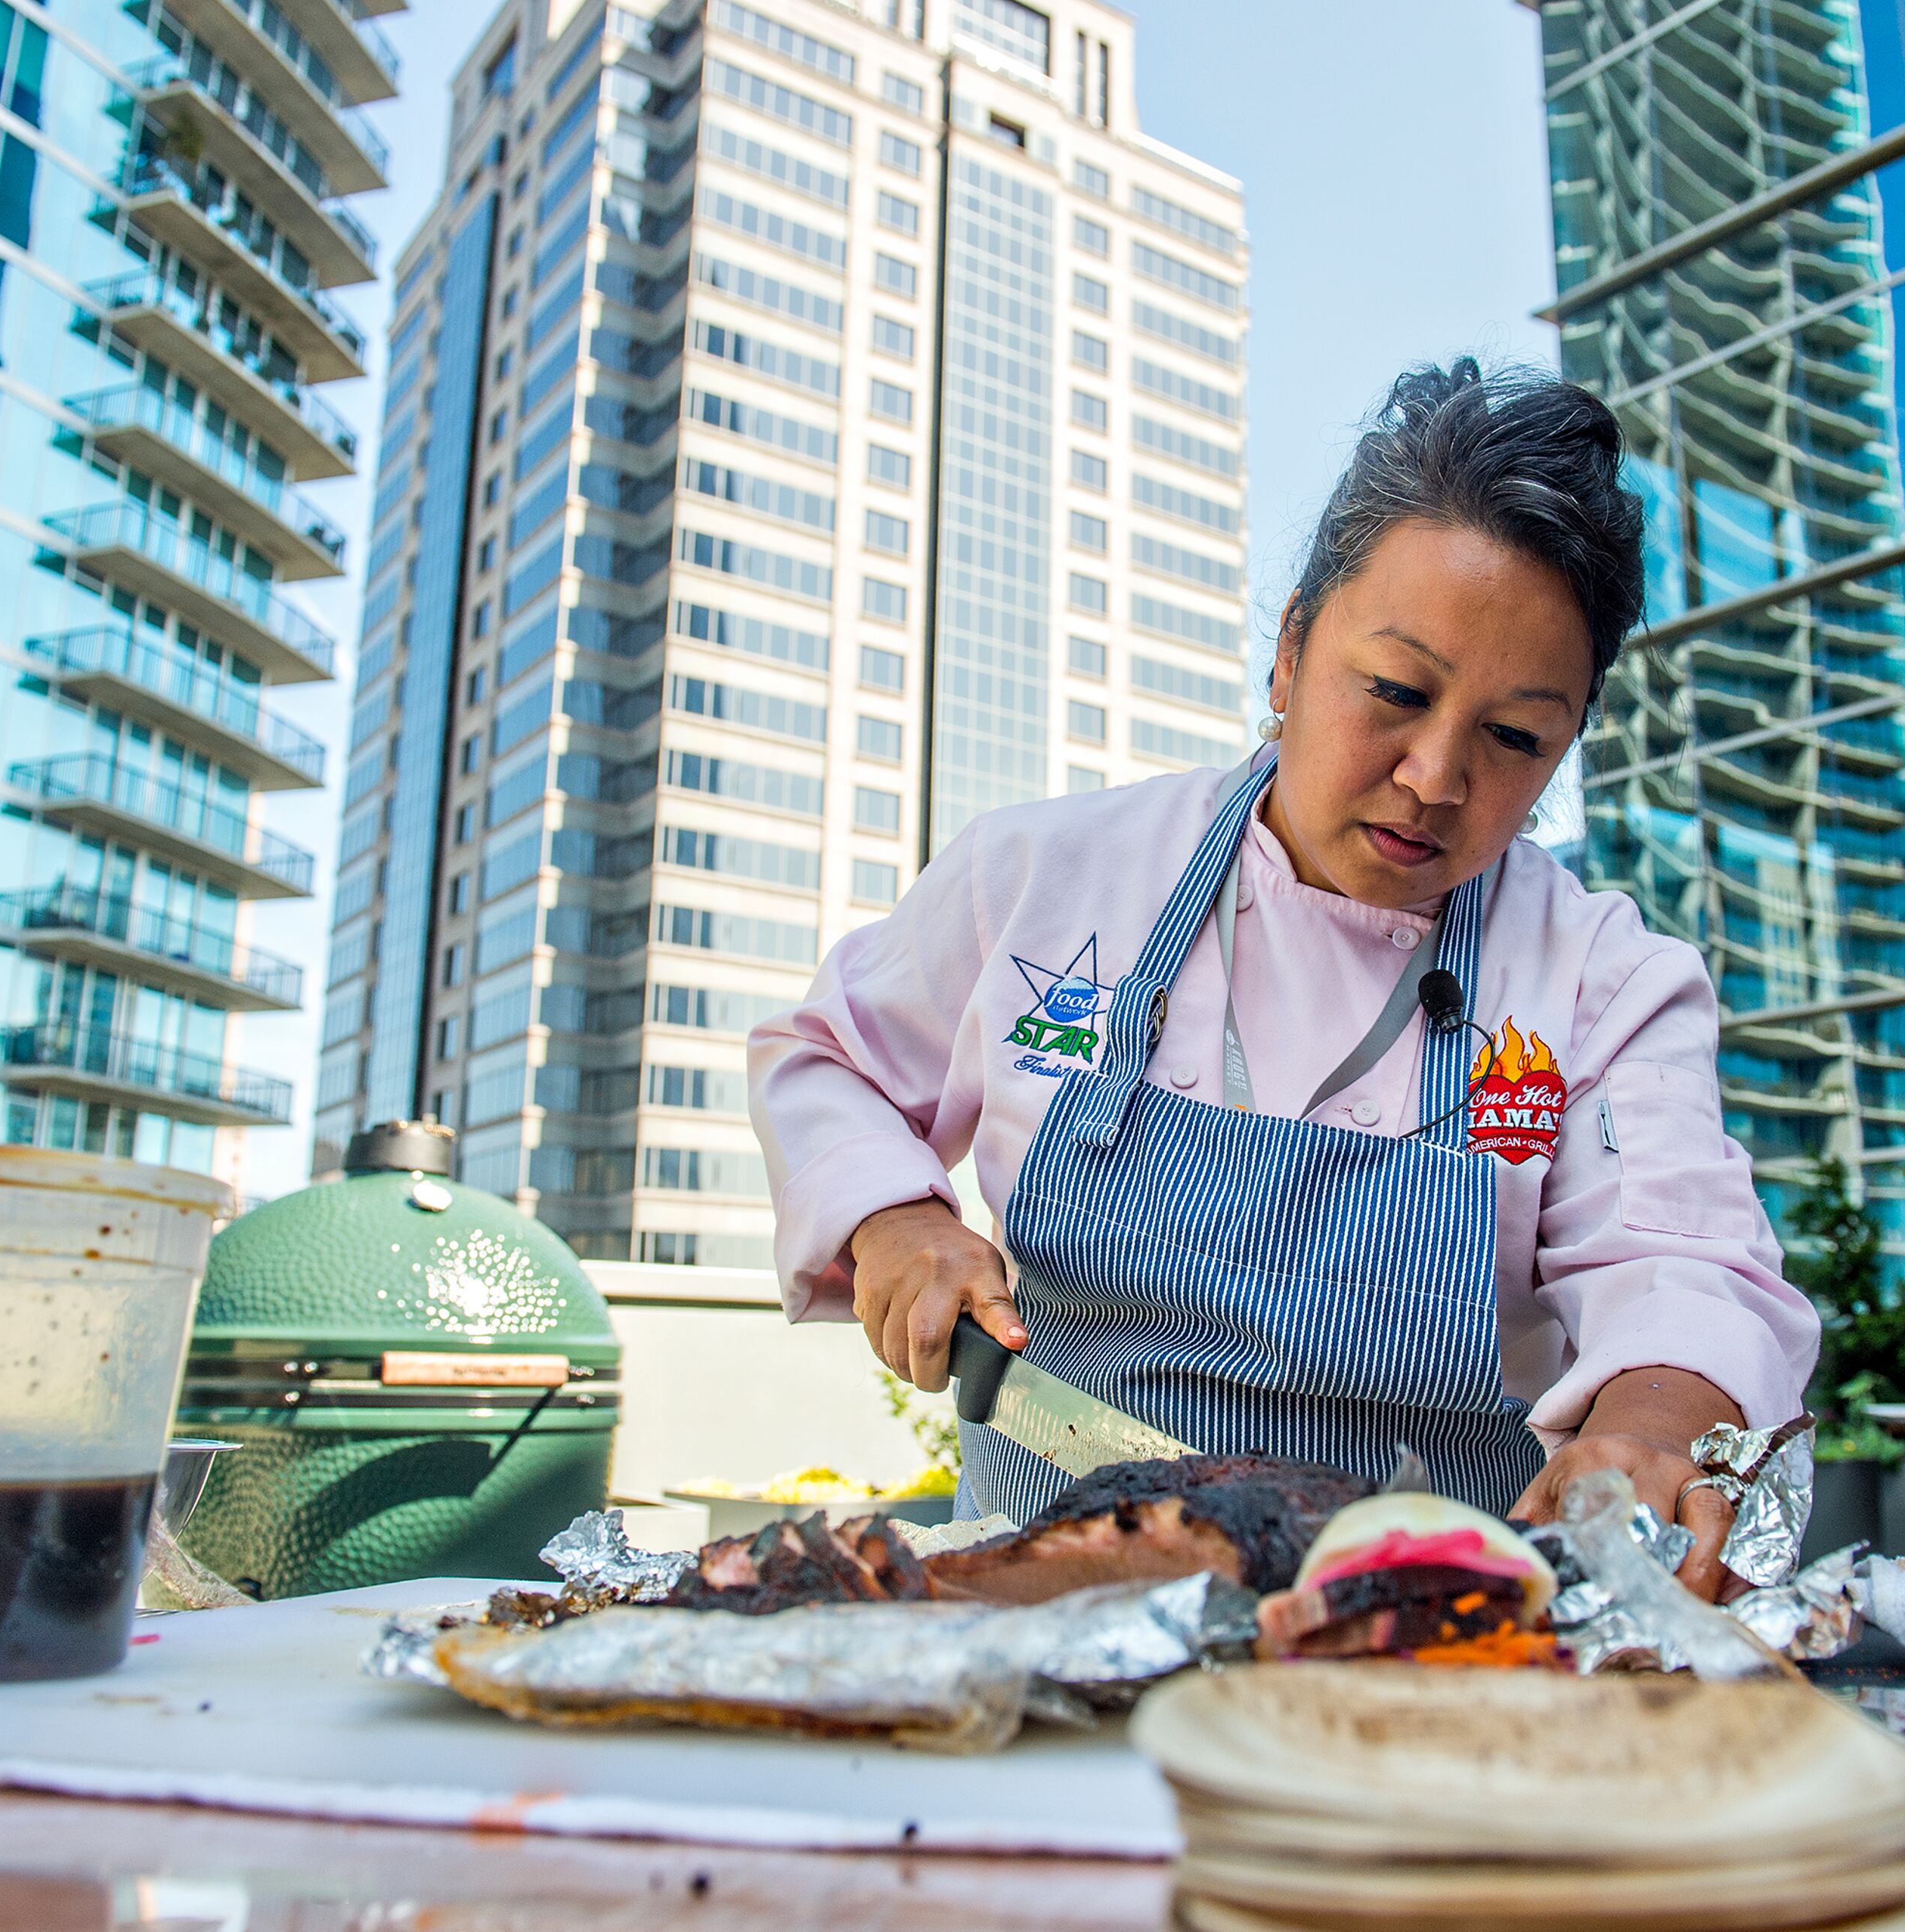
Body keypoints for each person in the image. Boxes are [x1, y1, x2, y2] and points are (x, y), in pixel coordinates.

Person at [748, 361, 1817, 1599]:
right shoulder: (1048, 876)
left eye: (1515, 737)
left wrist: (1652, 1425)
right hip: (1045, 1603)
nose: (1434, 777)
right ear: (1292, 652)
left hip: (1417, 1630)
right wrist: (898, 1217)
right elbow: (827, 1058)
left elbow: (1682, 1262)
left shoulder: (1603, 979)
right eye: (1397, 692)